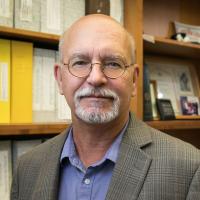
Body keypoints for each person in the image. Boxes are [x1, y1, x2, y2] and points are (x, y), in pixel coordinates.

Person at [11, 14, 200, 200]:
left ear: (134, 80)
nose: (95, 78)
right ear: (60, 78)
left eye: (112, 64)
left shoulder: (189, 168)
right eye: (80, 62)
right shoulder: (26, 168)